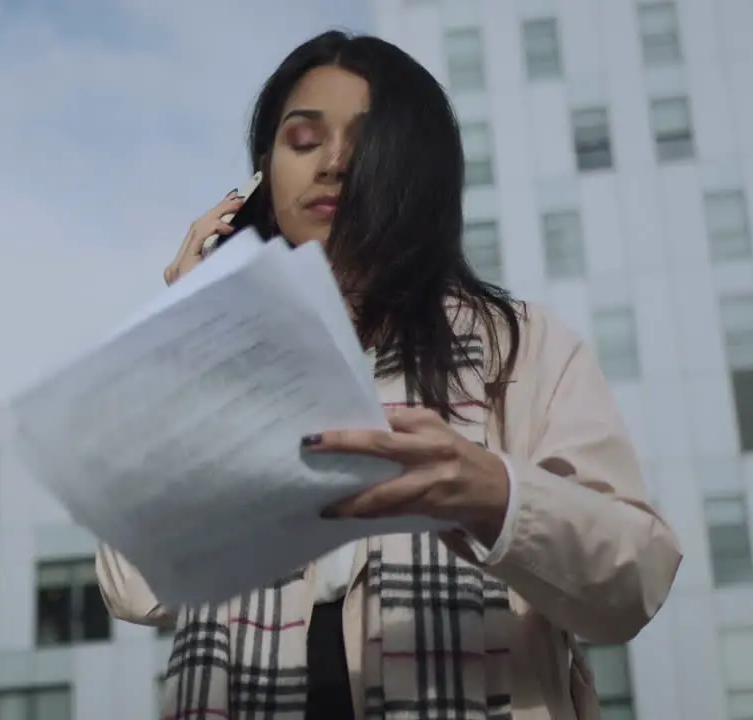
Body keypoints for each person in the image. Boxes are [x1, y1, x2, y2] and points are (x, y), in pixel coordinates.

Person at [96, 30, 682, 720]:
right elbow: (135, 588)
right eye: (303, 140)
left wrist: (494, 496)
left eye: (366, 140)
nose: (334, 163)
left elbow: (632, 584)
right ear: (262, 175)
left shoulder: (520, 348)